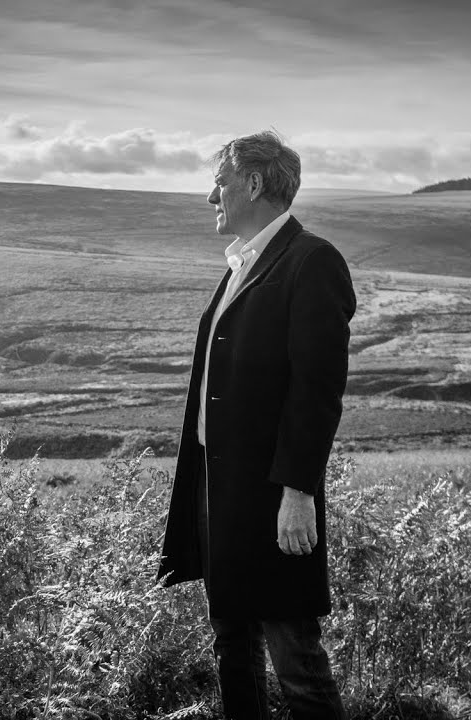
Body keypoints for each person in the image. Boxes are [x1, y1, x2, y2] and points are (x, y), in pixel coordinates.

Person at [157, 130, 355, 720]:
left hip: (272, 496)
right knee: (233, 650)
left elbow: (317, 391)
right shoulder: (242, 263)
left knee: (295, 658)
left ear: (253, 182)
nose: (210, 196)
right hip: (219, 490)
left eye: (218, 182)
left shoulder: (311, 261)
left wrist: (299, 493)